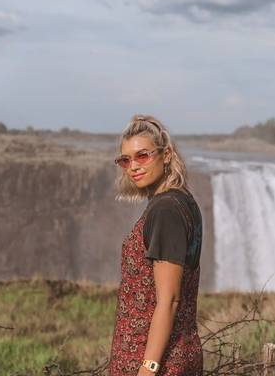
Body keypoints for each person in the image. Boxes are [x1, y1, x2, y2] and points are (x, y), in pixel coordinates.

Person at [108, 115, 203, 375]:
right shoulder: (183, 201)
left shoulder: (166, 210)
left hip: (155, 362)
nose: (133, 167)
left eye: (143, 156)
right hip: (178, 352)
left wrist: (148, 368)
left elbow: (170, 300)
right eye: (125, 160)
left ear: (167, 154)